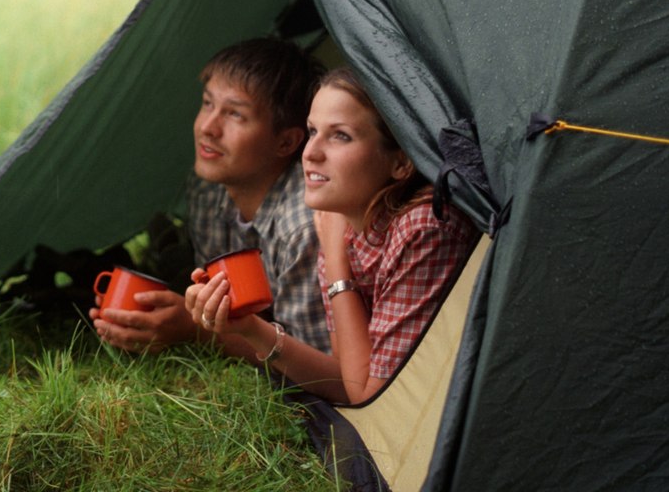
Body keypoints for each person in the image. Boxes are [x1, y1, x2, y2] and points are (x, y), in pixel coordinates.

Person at [185, 67, 478, 404]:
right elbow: (344, 376)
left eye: (340, 135)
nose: (310, 153)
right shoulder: (344, 221)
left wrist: (337, 267)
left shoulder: (425, 228)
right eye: (313, 130)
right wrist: (249, 328)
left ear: (401, 162)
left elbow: (366, 395)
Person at [91, 37, 332, 359]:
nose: (207, 127)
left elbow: (315, 361)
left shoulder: (303, 226)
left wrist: (197, 333)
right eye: (207, 103)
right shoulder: (208, 190)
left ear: (286, 142)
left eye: (235, 115)